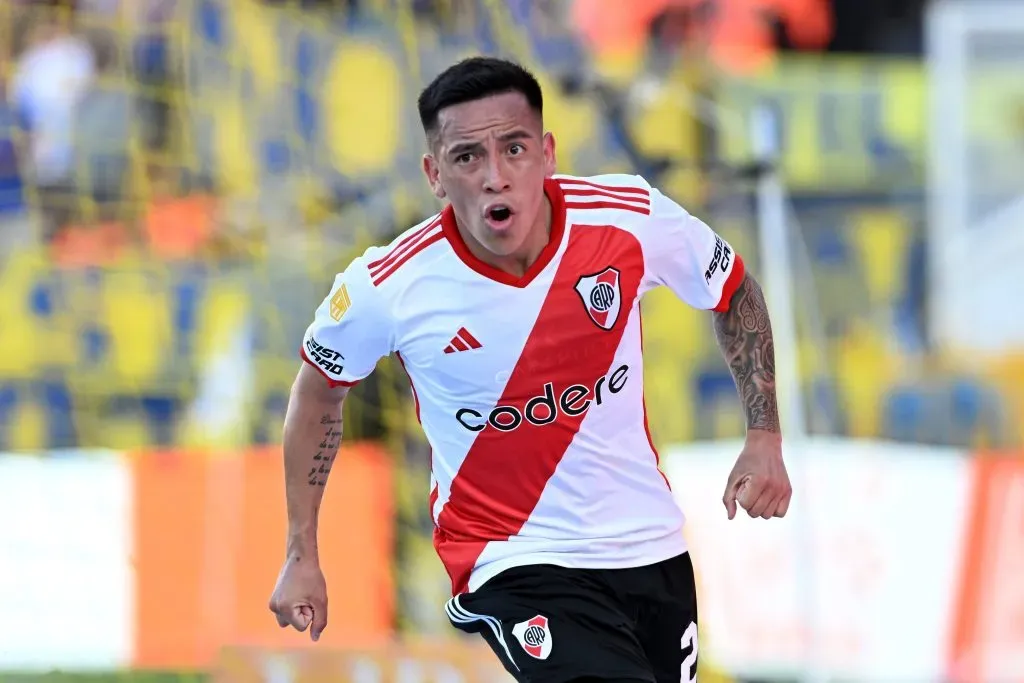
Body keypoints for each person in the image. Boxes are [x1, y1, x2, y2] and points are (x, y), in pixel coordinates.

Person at [269, 56, 791, 683]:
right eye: (467, 158)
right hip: (512, 557)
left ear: (546, 152)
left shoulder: (629, 220)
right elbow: (318, 396)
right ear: (435, 175)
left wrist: (764, 436)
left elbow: (733, 290)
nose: (495, 177)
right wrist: (302, 550)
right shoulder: (391, 284)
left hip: (648, 546)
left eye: (513, 149)